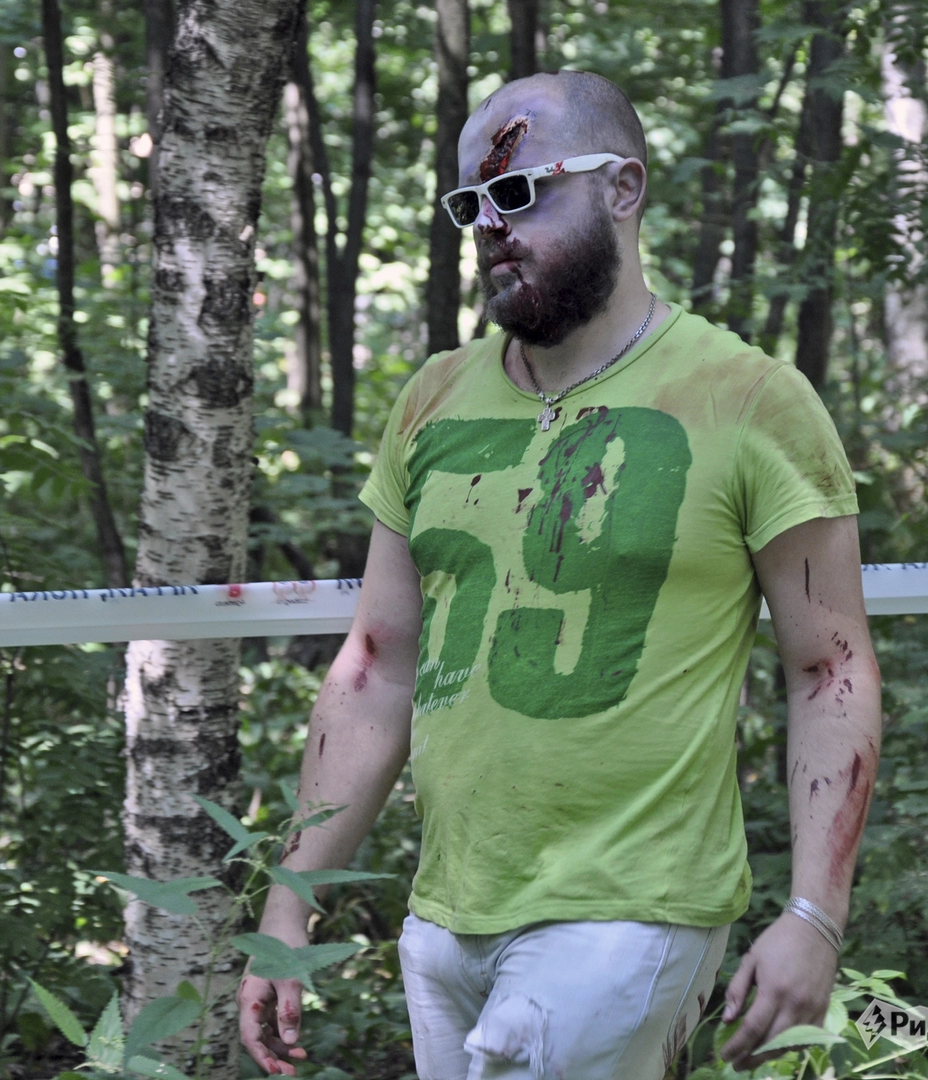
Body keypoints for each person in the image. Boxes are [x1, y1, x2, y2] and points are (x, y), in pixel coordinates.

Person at [238, 70, 882, 1080]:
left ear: (622, 188)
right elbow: (375, 667)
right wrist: (288, 903)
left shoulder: (751, 399)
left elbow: (829, 668)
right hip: (445, 922)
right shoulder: (433, 399)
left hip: (632, 911)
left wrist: (813, 914)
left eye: (519, 191)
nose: (492, 226)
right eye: (471, 204)